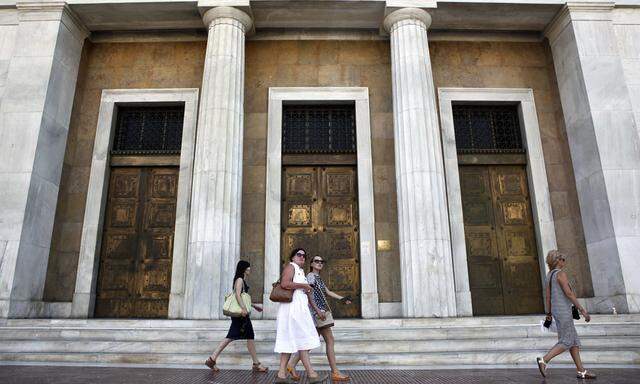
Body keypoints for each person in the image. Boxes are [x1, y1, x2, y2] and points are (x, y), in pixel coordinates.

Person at [287, 255, 352, 382]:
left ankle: (291, 365)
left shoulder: (318, 277)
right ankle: (335, 372)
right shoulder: (311, 276)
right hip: (320, 313)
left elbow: (327, 292)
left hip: (320, 312)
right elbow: (309, 294)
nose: (319, 263)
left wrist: (342, 299)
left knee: (311, 341)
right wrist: (317, 310)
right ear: (311, 263)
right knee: (330, 340)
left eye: (322, 261)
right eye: (316, 261)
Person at [536, 250, 596, 379]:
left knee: (573, 341)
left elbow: (548, 297)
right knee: (566, 340)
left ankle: (581, 371)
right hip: (564, 311)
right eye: (563, 259)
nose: (564, 261)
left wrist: (549, 313)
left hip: (558, 312)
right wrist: (582, 310)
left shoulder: (549, 275)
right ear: (558, 261)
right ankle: (544, 360)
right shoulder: (560, 274)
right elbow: (569, 293)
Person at [274, 248, 328, 384]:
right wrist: (303, 285)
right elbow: (285, 283)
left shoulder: (301, 271)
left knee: (295, 341)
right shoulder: (290, 267)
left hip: (299, 311)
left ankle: (282, 375)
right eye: (299, 255)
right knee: (301, 340)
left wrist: (317, 310)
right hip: (291, 311)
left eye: (304, 255)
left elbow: (307, 294)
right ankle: (311, 375)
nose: (302, 257)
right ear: (292, 257)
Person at [205, 260, 268, 373]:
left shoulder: (241, 280)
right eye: (248, 267)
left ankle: (212, 359)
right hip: (241, 315)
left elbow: (242, 297)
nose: (250, 269)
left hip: (242, 314)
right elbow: (238, 296)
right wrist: (244, 309)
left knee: (242, 336)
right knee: (238, 336)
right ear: (244, 269)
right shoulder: (239, 280)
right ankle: (256, 364)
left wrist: (253, 306)